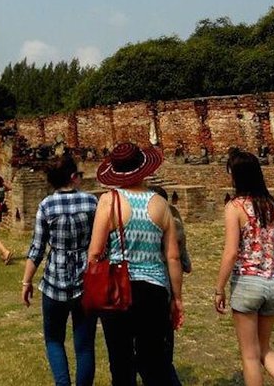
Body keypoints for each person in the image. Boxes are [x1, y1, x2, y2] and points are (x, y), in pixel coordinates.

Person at [87, 142, 184, 386]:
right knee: (153, 361)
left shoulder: (110, 202)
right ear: (143, 168)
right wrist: (177, 298)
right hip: (154, 290)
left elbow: (95, 252)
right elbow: (173, 257)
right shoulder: (161, 205)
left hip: (117, 289)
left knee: (120, 362)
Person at [214, 149, 274, 386]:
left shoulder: (235, 207)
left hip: (247, 283)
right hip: (273, 283)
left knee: (250, 355)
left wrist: (219, 288)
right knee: (265, 349)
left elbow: (231, 252)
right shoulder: (273, 206)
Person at [22, 154, 98, 386]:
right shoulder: (91, 202)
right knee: (84, 345)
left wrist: (26, 282)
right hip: (86, 282)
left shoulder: (46, 206)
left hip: (55, 282)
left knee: (54, 339)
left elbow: (37, 248)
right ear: (74, 177)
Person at [149, 185, 192, 386]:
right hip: (167, 288)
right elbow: (184, 262)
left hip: (155, 283)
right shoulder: (176, 223)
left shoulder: (155, 224)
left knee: (150, 346)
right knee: (165, 340)